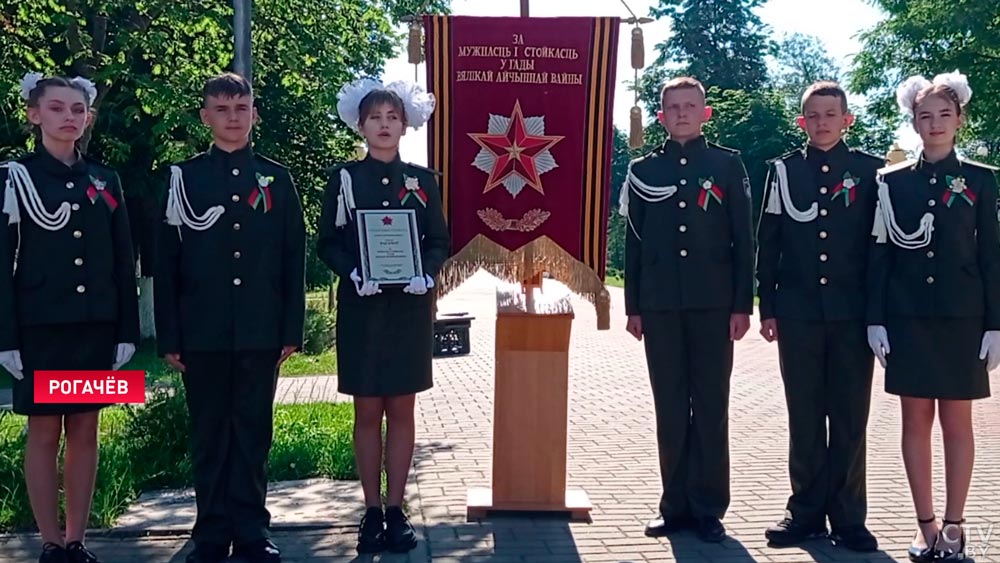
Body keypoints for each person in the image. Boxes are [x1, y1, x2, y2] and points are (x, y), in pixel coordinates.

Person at [153, 72, 306, 563]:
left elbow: (291, 259)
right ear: (205, 117)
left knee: (253, 432)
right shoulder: (185, 178)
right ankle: (211, 533)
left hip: (261, 329)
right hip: (204, 331)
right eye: (221, 109)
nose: (233, 117)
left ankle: (253, 530)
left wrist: (290, 329)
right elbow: (167, 263)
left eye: (241, 108)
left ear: (255, 114)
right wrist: (170, 334)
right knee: (209, 433)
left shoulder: (276, 178)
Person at [0, 73, 139, 563]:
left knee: (85, 430)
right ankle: (49, 543)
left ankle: (78, 539)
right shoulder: (15, 176)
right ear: (35, 114)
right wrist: (5, 335)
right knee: (42, 432)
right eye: (57, 108)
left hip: (93, 327)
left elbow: (124, 261)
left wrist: (127, 329)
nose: (69, 117)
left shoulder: (105, 180)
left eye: (78, 110)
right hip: (40, 328)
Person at [867, 71, 998, 562]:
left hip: (963, 318)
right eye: (926, 116)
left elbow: (991, 257)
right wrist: (875, 318)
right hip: (907, 317)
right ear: (914, 123)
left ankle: (955, 527)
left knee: (958, 424)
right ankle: (925, 525)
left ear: (959, 119)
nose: (936, 122)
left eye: (945, 114)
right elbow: (879, 254)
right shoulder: (891, 182)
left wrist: (995, 323)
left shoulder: (982, 179)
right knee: (915, 421)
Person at [317, 78, 449, 554]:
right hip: (363, 308)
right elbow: (326, 240)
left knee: (403, 409)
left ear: (406, 124)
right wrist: (352, 270)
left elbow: (438, 240)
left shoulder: (423, 179)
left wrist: (427, 273)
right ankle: (370, 511)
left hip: (409, 308)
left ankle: (397, 510)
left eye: (393, 117)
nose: (385, 125)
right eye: (376, 117)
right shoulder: (346, 178)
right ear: (361, 124)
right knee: (368, 410)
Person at [619, 76, 753, 543]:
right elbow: (633, 243)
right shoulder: (643, 170)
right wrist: (633, 305)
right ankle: (674, 506)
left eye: (689, 106)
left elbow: (744, 242)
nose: (680, 113)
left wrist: (741, 305)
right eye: (672, 107)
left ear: (705, 113)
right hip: (660, 306)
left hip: (714, 306)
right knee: (670, 407)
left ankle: (710, 507)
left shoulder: (726, 165)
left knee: (711, 405)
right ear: (660, 116)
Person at [756, 81, 882, 551]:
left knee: (850, 417)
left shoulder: (873, 172)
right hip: (799, 313)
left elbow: (879, 249)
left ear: (847, 119)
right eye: (813, 114)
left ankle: (849, 518)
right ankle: (805, 512)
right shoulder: (784, 172)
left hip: (852, 316)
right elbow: (769, 244)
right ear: (801, 121)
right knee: (805, 416)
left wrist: (878, 315)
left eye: (831, 114)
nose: (822, 121)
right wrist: (767, 305)